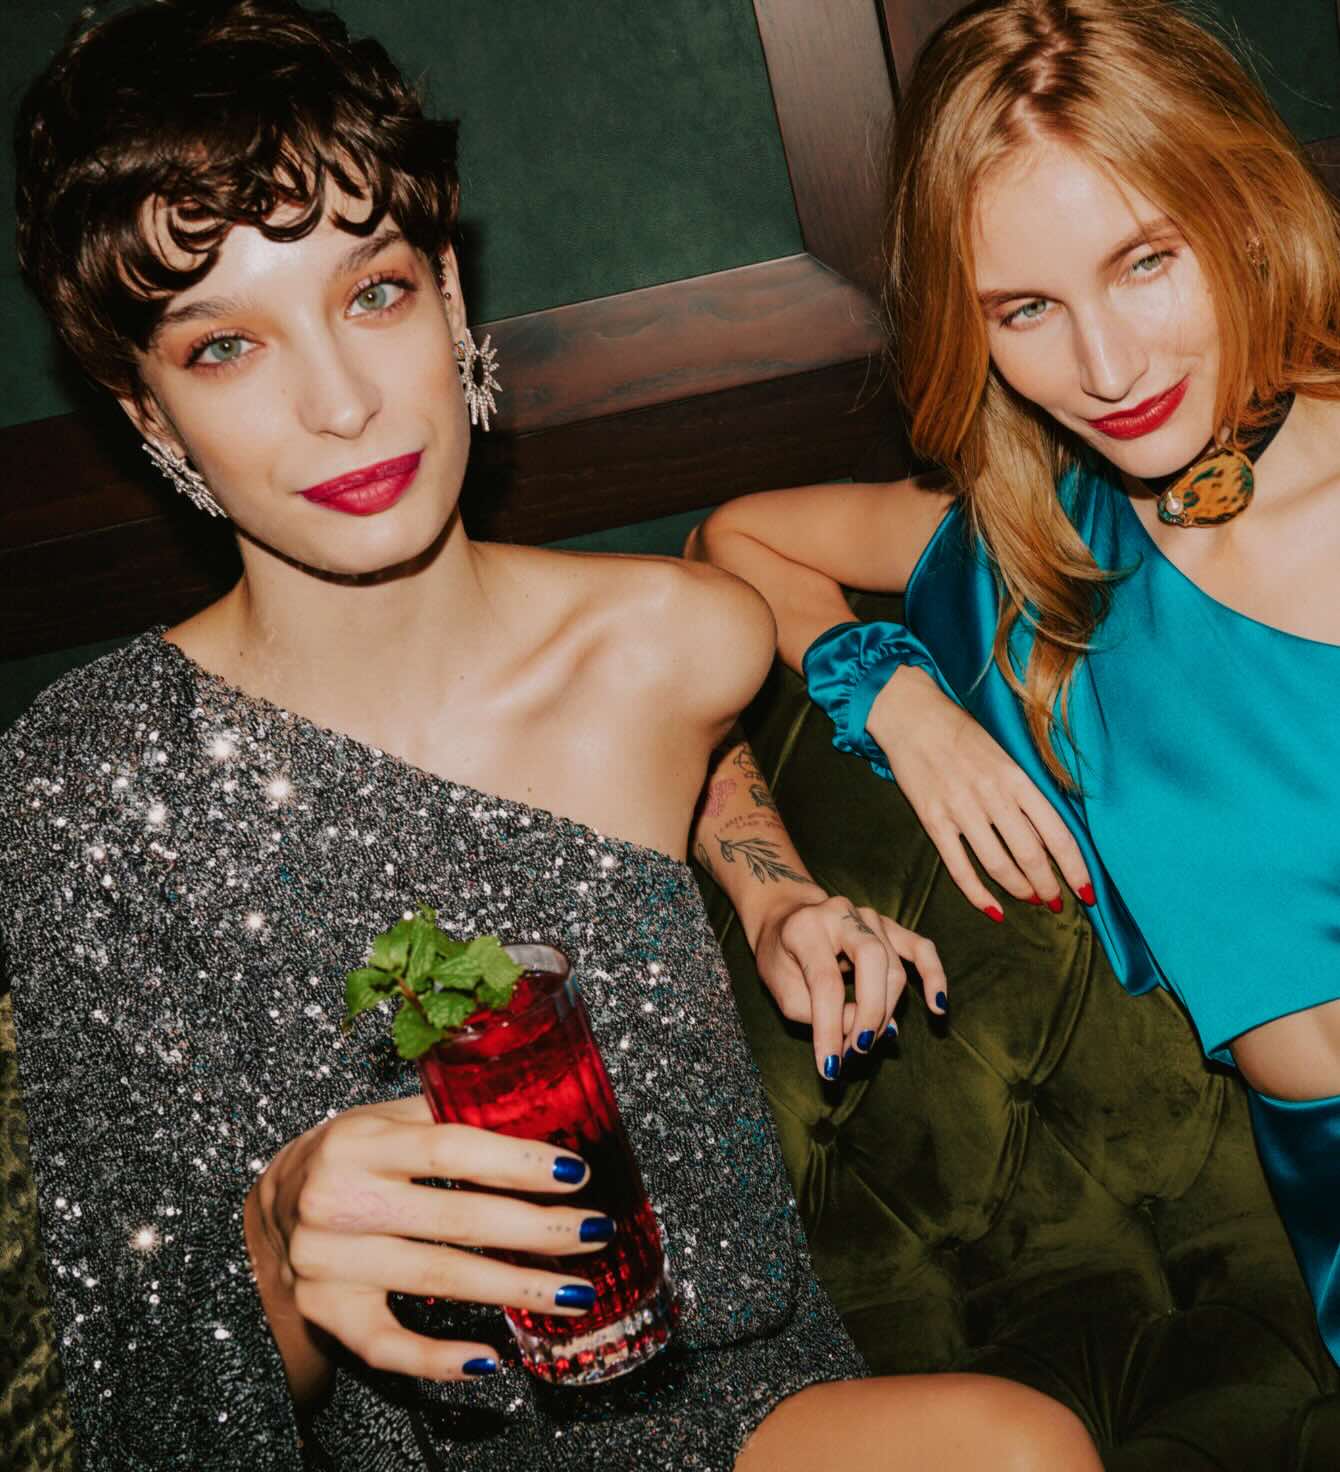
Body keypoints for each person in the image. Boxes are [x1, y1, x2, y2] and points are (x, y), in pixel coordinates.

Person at [0, 1, 1105, 1468]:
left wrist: (767, 884)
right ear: (150, 414)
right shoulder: (83, 786)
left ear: (451, 298)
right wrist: (277, 1237)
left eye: (372, 295)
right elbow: (143, 1403)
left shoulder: (680, 636)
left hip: (725, 1406)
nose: (339, 404)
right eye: (225, 347)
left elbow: (699, 745)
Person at [693, 0, 1340, 1369]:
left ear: (1242, 210)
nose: (1105, 370)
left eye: (1145, 262)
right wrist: (903, 701)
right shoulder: (1038, 554)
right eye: (1026, 310)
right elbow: (735, 541)